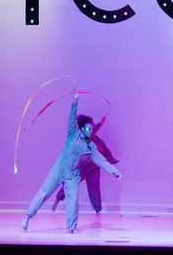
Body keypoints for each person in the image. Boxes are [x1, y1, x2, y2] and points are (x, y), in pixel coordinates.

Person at [22, 90, 121, 234]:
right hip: (59, 168)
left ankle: (72, 226)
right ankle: (28, 216)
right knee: (45, 191)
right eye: (89, 128)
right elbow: (72, 117)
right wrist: (75, 101)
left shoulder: (91, 147)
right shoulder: (73, 134)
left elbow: (101, 161)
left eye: (92, 129)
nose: (91, 130)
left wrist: (114, 171)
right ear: (82, 129)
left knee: (73, 201)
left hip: (73, 175)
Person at [50, 115, 118, 214]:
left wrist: (111, 159)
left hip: (93, 170)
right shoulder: (81, 138)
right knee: (67, 186)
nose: (92, 126)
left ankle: (98, 211)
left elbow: (106, 151)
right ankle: (57, 200)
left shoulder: (97, 140)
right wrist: (100, 124)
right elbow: (92, 133)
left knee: (95, 191)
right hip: (79, 169)